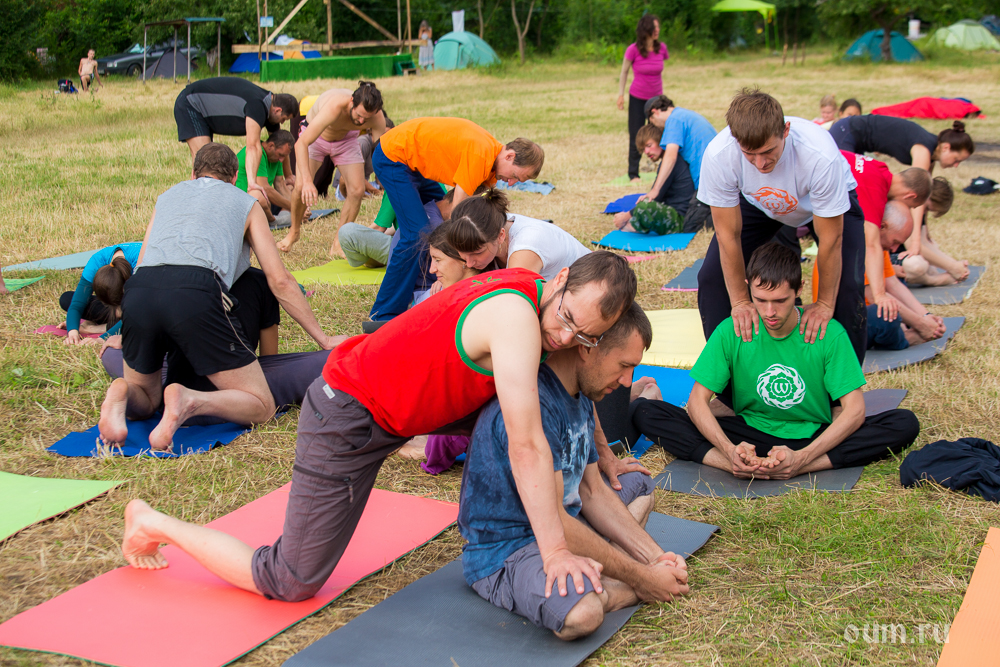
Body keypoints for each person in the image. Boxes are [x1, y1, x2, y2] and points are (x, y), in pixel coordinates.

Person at [120, 252, 638, 607]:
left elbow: (571, 391)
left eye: (584, 335)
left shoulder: (547, 306)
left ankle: (525, 532)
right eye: (565, 317)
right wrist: (555, 553)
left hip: (398, 410)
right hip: (347, 413)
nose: (563, 335)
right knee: (290, 579)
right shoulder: (516, 317)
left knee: (531, 405)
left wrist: (604, 454)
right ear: (561, 278)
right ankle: (153, 522)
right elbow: (526, 444)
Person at [460, 303, 688, 640]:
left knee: (639, 484)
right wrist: (644, 579)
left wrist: (658, 558)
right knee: (584, 613)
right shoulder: (536, 403)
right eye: (624, 366)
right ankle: (614, 586)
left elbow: (592, 490)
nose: (627, 381)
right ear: (587, 348)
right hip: (511, 549)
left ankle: (608, 575)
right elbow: (553, 520)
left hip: (566, 521)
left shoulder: (579, 392)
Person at [97, 144, 342, 453]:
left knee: (145, 399)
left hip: (139, 292)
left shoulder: (167, 197)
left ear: (193, 173)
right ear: (235, 177)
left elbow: (143, 265)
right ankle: (189, 400)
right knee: (262, 405)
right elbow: (279, 280)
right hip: (195, 290)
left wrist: (125, 333)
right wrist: (322, 338)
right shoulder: (246, 202)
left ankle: (121, 390)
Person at [632, 242, 921, 479]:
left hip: (811, 435)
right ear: (748, 288)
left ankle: (800, 467)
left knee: (903, 423)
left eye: (781, 301)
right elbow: (697, 401)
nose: (770, 312)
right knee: (646, 411)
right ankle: (735, 466)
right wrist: (730, 453)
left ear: (799, 290)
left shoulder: (827, 332)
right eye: (760, 300)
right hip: (748, 432)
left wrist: (802, 459)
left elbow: (855, 411)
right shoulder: (733, 329)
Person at [697, 87, 868, 371]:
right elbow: (728, 236)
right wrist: (740, 301)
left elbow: (831, 241)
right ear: (735, 140)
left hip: (818, 204)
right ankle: (728, 381)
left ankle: (843, 386)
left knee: (848, 289)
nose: (761, 163)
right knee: (712, 279)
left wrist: (825, 304)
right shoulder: (720, 154)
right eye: (750, 154)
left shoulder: (818, 154)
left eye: (768, 151)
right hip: (760, 203)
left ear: (785, 131)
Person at [370, 117, 543, 321]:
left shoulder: (491, 169)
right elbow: (457, 214)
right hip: (392, 156)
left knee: (436, 221)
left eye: (518, 181)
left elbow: (471, 213)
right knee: (418, 233)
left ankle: (428, 284)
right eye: (515, 176)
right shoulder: (481, 155)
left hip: (413, 164)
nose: (512, 183)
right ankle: (383, 313)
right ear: (510, 156)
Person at [830, 117, 974, 256]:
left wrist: (925, 232)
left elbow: (922, 198)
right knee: (850, 200)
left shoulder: (930, 157)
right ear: (946, 147)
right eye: (956, 159)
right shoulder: (924, 151)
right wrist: (915, 242)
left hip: (856, 140)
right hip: (847, 131)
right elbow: (916, 198)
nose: (956, 165)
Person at [277, 83, 387, 256]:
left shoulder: (376, 117)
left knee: (357, 190)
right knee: (300, 187)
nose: (361, 122)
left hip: (346, 141)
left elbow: (382, 153)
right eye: (359, 115)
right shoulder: (334, 107)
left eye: (366, 119)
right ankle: (294, 232)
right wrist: (307, 181)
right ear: (352, 102)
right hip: (316, 139)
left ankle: (338, 243)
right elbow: (301, 144)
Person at [838, 151, 930, 322]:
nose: (906, 210)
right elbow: (871, 245)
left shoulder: (880, 168)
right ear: (910, 196)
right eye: (911, 206)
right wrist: (880, 295)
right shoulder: (876, 191)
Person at [173, 77, 297, 201]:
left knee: (208, 164)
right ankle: (197, 202)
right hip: (191, 103)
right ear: (278, 110)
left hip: (203, 109)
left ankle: (205, 200)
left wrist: (289, 176)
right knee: (205, 162)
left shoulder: (270, 110)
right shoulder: (258, 105)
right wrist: (252, 183)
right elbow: (253, 146)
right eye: (284, 119)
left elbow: (282, 143)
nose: (282, 123)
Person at [446, 189, 589, 282]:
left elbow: (514, 301)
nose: (469, 264)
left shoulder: (526, 246)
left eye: (477, 253)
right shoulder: (491, 223)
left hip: (588, 283)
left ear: (501, 236)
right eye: (462, 253)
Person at [857, 202, 946, 350]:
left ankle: (902, 330)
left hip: (867, 311)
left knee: (895, 298)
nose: (894, 249)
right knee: (885, 314)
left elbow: (893, 284)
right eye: (895, 242)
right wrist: (921, 325)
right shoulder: (861, 245)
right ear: (883, 227)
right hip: (847, 321)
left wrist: (925, 315)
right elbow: (874, 297)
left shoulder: (878, 245)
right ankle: (905, 338)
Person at [643, 95, 717, 232]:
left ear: (654, 112)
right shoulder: (684, 115)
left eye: (652, 123)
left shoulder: (673, 120)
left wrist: (655, 190)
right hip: (715, 176)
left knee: (690, 226)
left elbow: (670, 157)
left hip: (710, 182)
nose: (657, 128)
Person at [339, 184, 455, 269]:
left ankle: (372, 260)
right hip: (424, 247)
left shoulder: (397, 183)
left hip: (408, 251)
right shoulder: (436, 185)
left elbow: (379, 228)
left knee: (348, 233)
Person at [612, 124, 694, 233]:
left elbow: (654, 198)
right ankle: (635, 222)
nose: (646, 152)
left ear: (661, 141)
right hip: (672, 211)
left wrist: (625, 216)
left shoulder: (670, 164)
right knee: (642, 204)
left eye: (649, 145)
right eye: (643, 149)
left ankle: (634, 224)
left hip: (680, 219)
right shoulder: (669, 161)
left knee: (644, 206)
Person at [617, 14, 668, 184]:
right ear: (645, 30)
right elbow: (624, 72)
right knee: (636, 134)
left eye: (658, 27)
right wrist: (621, 95)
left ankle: (661, 167)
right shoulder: (633, 50)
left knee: (659, 133)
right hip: (638, 97)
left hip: (657, 100)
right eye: (654, 27)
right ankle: (633, 173)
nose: (657, 30)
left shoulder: (662, 48)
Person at [59, 242, 143, 345]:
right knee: (67, 299)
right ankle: (116, 323)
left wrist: (102, 338)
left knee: (143, 315)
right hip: (129, 308)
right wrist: (72, 332)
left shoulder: (142, 265)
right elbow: (76, 305)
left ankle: (98, 328)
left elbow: (139, 311)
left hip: (143, 305)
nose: (117, 313)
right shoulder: (96, 262)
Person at [235, 130, 297, 227]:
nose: (281, 160)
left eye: (284, 156)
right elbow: (265, 188)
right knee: (260, 197)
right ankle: (273, 220)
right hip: (245, 203)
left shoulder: (276, 158)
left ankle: (282, 217)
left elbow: (280, 186)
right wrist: (293, 208)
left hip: (265, 203)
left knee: (291, 187)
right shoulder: (256, 153)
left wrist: (297, 207)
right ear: (271, 146)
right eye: (281, 155)